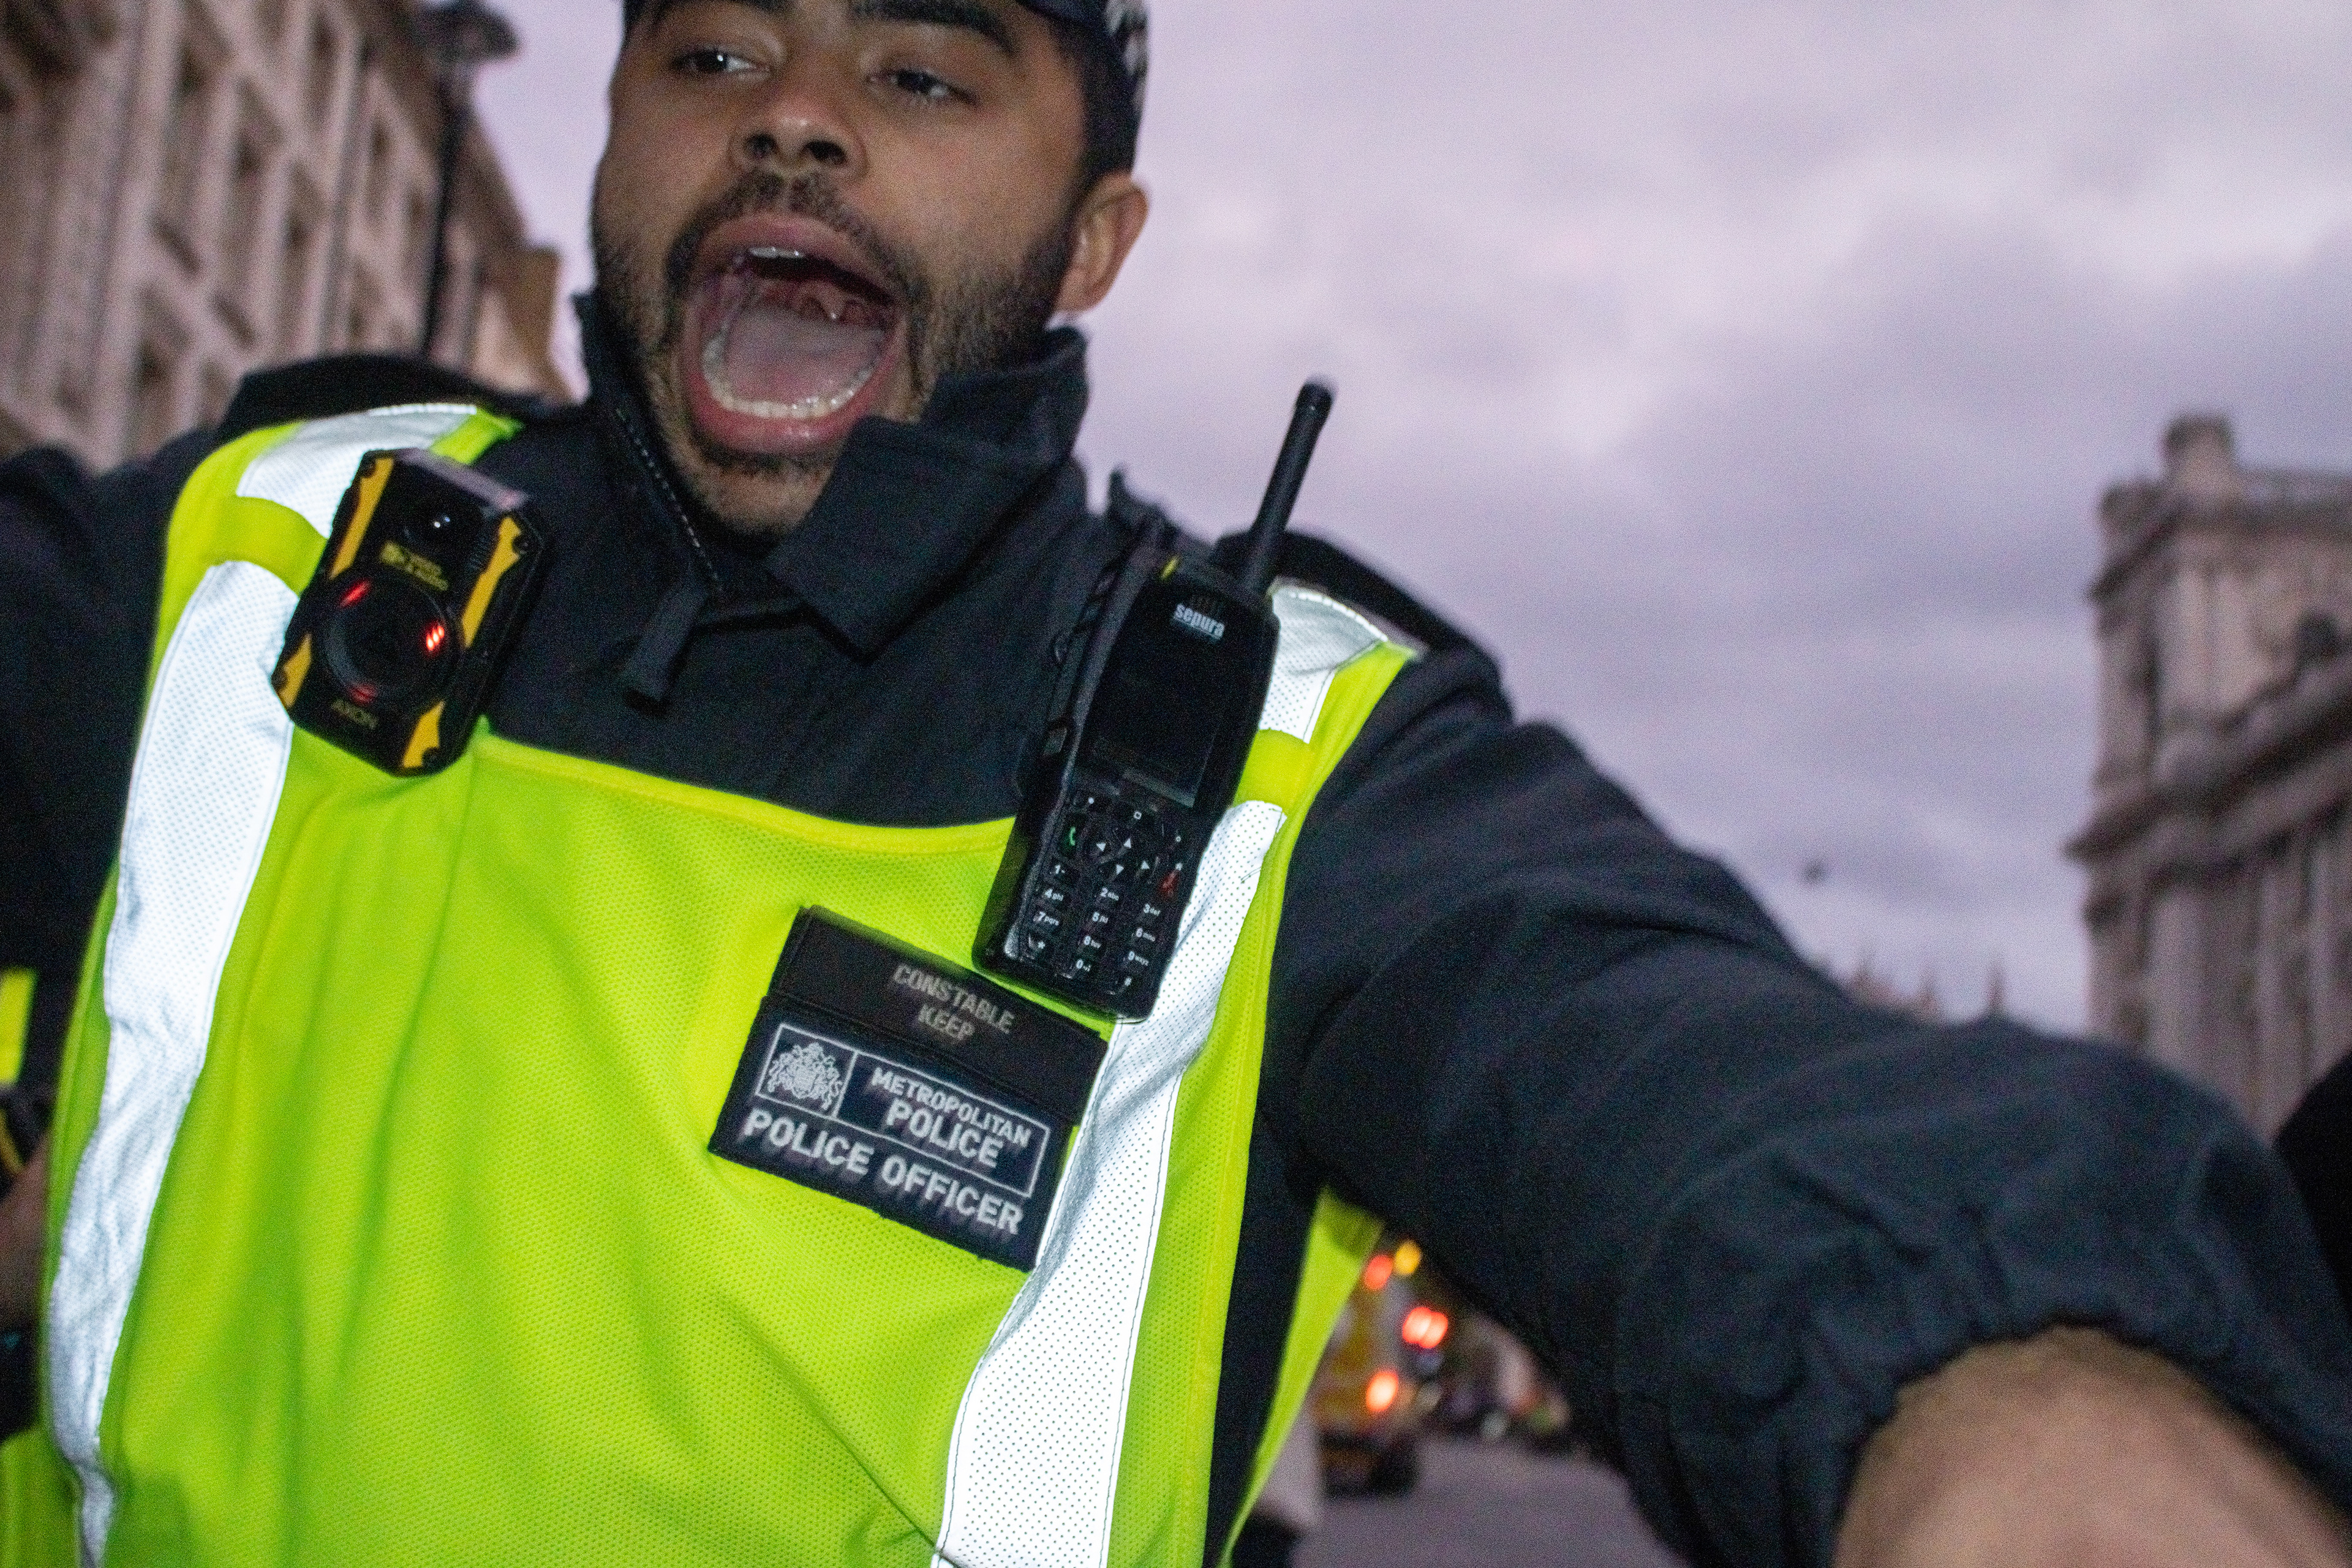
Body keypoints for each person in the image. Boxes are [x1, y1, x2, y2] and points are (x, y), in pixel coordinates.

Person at [1, 2, 2348, 1564]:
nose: (795, 112)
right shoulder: (242, 552)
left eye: (928, 74)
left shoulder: (1294, 766)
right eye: (713, 43)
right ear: (609, 133)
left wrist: (2005, 1377)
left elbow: (1668, 1066)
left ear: (1092, 238)